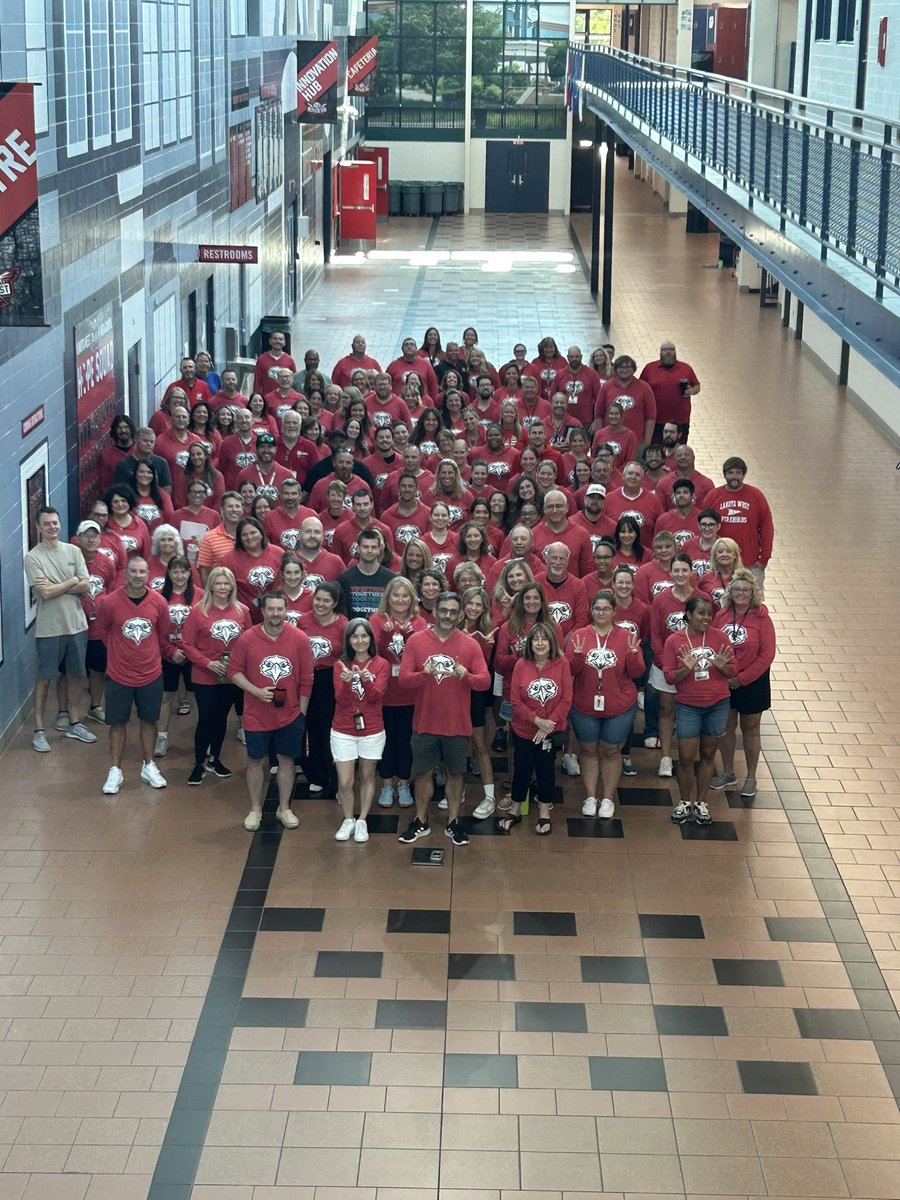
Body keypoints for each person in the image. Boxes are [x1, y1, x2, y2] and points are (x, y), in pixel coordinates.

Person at [398, 591, 492, 847]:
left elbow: (484, 682)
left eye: (453, 611)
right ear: (435, 611)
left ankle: (452, 822)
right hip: (425, 722)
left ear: (459, 613)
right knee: (423, 773)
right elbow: (404, 679)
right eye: (444, 610)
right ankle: (420, 821)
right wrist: (422, 674)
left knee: (455, 773)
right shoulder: (416, 641)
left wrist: (466, 676)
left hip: (457, 724)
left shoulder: (470, 644)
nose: (448, 615)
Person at [228, 591, 313, 830]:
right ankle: (255, 809)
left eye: (280, 609)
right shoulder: (247, 639)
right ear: (263, 611)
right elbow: (233, 671)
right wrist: (255, 691)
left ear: (286, 610)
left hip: (290, 715)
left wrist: (301, 713)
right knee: (255, 762)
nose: (276, 614)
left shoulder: (299, 638)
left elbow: (307, 678)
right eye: (271, 609)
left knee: (287, 762)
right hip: (256, 715)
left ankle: (284, 808)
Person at [95, 556, 173, 795]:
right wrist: (121, 654)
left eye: (142, 572)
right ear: (125, 574)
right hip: (119, 675)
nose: (138, 575)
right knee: (117, 723)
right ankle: (115, 770)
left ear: (148, 574)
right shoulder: (109, 603)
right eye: (133, 571)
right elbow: (102, 632)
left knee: (149, 721)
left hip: (151, 673)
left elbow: (163, 634)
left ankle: (149, 765)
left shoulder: (158, 602)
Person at [567, 590, 644, 820]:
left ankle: (608, 797)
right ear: (591, 611)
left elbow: (638, 672)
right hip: (584, 705)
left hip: (619, 705)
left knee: (611, 750)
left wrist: (632, 655)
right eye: (597, 608)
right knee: (589, 749)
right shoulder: (579, 635)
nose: (601, 612)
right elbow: (570, 670)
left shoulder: (625, 636)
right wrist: (578, 657)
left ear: (614, 611)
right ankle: (591, 796)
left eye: (605, 608)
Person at [24, 507, 96, 752]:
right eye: (47, 524)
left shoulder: (74, 551)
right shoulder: (33, 557)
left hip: (76, 625)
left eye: (55, 523)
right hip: (49, 629)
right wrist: (71, 581)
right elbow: (44, 592)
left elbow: (86, 585)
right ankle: (39, 730)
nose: (52, 527)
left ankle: (75, 722)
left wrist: (62, 585)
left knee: (76, 675)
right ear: (38, 527)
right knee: (45, 678)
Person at [662, 595, 736, 825]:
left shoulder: (720, 636)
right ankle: (684, 801)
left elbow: (732, 670)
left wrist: (724, 667)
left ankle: (701, 802)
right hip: (688, 706)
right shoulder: (674, 641)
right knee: (685, 757)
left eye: (709, 614)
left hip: (717, 704)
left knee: (708, 755)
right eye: (701, 613)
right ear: (689, 615)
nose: (706, 617)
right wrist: (686, 669)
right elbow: (670, 677)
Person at [497, 622, 573, 836]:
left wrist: (549, 723)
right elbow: (515, 700)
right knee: (521, 769)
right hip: (524, 730)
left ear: (552, 642)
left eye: (544, 638)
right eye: (536, 639)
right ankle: (514, 811)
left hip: (550, 729)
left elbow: (566, 699)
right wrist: (537, 721)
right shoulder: (521, 664)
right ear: (530, 643)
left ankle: (544, 813)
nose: (540, 643)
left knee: (546, 770)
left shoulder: (562, 664)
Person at [181, 567, 251, 785]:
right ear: (211, 585)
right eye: (218, 583)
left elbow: (249, 641)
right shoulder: (198, 611)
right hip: (205, 675)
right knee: (206, 719)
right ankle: (199, 762)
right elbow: (187, 644)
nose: (223, 587)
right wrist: (207, 663)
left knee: (222, 719)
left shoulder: (242, 611)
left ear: (232, 586)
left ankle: (215, 759)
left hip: (231, 676)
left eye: (226, 583)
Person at [711, 570, 776, 799]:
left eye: (745, 590)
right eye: (737, 590)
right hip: (725, 680)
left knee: (751, 729)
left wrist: (743, 678)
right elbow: (714, 643)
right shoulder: (722, 615)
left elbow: (767, 654)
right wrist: (725, 674)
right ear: (730, 592)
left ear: (753, 593)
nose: (741, 594)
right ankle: (728, 772)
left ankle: (751, 776)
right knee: (726, 728)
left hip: (753, 682)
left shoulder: (761, 617)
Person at [647, 553, 707, 777]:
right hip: (666, 665)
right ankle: (665, 757)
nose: (680, 574)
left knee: (694, 711)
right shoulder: (661, 600)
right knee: (666, 709)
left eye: (684, 570)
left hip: (697, 667)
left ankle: (691, 757)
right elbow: (655, 635)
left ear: (691, 572)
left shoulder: (702, 598)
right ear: (670, 572)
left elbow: (708, 631)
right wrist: (666, 665)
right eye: (676, 570)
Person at [331, 619, 390, 843]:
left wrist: (366, 681)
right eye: (355, 636)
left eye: (364, 636)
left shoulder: (381, 664)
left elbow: (376, 697)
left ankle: (363, 820)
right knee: (345, 781)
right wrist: (347, 682)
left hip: (372, 729)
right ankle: (348, 819)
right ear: (348, 640)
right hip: (344, 729)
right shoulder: (340, 665)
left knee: (367, 776)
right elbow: (341, 700)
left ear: (371, 639)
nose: (360, 641)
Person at [369, 578, 427, 810]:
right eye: (396, 595)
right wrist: (384, 635)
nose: (401, 600)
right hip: (383, 693)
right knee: (386, 741)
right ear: (388, 597)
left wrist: (410, 635)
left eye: (405, 595)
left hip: (410, 694)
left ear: (412, 598)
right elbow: (369, 652)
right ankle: (386, 784)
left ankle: (403, 783)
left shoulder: (420, 622)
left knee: (405, 741)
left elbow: (423, 655)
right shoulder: (376, 619)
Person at [296, 581, 348, 795]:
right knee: (310, 727)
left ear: (335, 603)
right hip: (307, 678)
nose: (321, 604)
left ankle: (337, 779)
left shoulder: (344, 624)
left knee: (332, 730)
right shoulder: (302, 621)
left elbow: (348, 655)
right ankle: (316, 774)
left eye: (326, 600)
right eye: (318, 599)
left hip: (331, 680)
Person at [704, 457, 774, 594]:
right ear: (725, 475)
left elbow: (766, 528)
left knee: (752, 604)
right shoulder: (713, 496)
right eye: (730, 473)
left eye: (738, 473)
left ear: (743, 474)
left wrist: (763, 559)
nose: (734, 476)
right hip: (720, 565)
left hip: (750, 564)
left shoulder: (756, 496)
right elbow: (702, 526)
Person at [154, 556, 196, 756]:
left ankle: (201, 737)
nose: (180, 575)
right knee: (165, 697)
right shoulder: (159, 597)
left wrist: (189, 651)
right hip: (168, 654)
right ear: (169, 574)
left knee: (198, 698)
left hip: (193, 656)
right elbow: (155, 631)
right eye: (175, 571)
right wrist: (170, 651)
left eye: (183, 571)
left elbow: (204, 629)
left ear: (189, 572)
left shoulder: (201, 596)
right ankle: (161, 738)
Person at [222, 517, 284, 620]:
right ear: (239, 538)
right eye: (244, 535)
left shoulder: (278, 553)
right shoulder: (228, 560)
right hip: (245, 616)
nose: (249, 537)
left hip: (276, 615)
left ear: (261, 533)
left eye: (253, 532)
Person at [640, 340, 701, 442]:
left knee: (678, 450)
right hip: (656, 419)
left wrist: (692, 390)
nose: (668, 352)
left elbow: (697, 385)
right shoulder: (649, 368)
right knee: (656, 448)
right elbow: (640, 387)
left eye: (671, 349)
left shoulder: (686, 368)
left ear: (675, 352)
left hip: (680, 419)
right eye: (665, 350)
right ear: (660, 352)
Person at [338, 528, 395, 617]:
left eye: (373, 547)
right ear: (358, 548)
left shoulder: (391, 579)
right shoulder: (344, 579)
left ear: (379, 550)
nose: (369, 551)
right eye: (365, 547)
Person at [254, 329, 296, 395]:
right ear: (270, 341)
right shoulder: (262, 359)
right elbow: (257, 382)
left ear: (284, 342)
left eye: (280, 339)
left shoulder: (290, 360)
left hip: (284, 398)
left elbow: (293, 382)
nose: (277, 341)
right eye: (275, 339)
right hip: (267, 399)